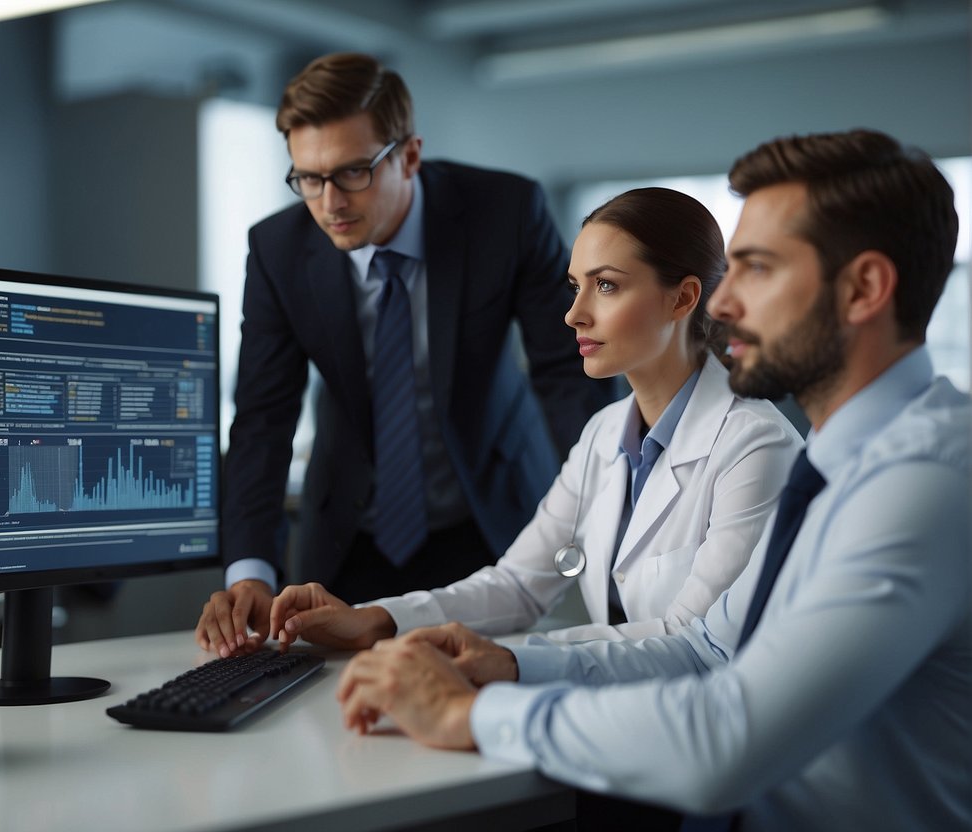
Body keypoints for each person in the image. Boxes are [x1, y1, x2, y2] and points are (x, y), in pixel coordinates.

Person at [335, 128, 969, 832]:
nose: (722, 306)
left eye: (756, 270)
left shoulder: (921, 482)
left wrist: (470, 712)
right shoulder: (839, 459)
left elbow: (728, 735)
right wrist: (500, 664)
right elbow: (705, 647)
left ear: (863, 289)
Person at [195, 52, 614, 657]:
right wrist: (250, 574)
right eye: (308, 178)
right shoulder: (278, 250)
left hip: (489, 518)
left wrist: (606, 502)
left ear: (409, 155)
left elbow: (567, 371)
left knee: (484, 696)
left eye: (353, 172)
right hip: (350, 532)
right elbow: (263, 418)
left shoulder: (505, 213)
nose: (329, 202)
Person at [268, 187, 802, 655]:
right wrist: (374, 620)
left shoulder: (757, 446)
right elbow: (519, 585)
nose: (574, 314)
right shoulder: (604, 433)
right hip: (614, 715)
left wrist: (506, 659)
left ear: (683, 298)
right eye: (575, 286)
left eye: (607, 286)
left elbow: (692, 641)